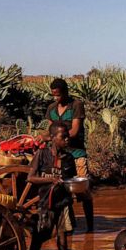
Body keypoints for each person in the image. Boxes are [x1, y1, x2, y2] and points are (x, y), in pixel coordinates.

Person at [46, 78, 94, 232]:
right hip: (60, 155)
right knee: (61, 189)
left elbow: (74, 131)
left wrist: (54, 137)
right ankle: (68, 225)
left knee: (83, 191)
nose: (56, 98)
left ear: (65, 92)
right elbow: (50, 130)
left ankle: (90, 227)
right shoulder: (51, 108)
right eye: (53, 95)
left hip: (76, 152)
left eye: (58, 95)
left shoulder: (76, 106)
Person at [27, 122, 77, 250]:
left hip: (63, 203)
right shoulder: (42, 154)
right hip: (46, 202)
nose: (67, 139)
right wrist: (50, 179)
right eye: (64, 137)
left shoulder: (69, 158)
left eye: (68, 137)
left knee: (63, 237)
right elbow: (30, 177)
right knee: (41, 234)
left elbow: (72, 179)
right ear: (53, 138)